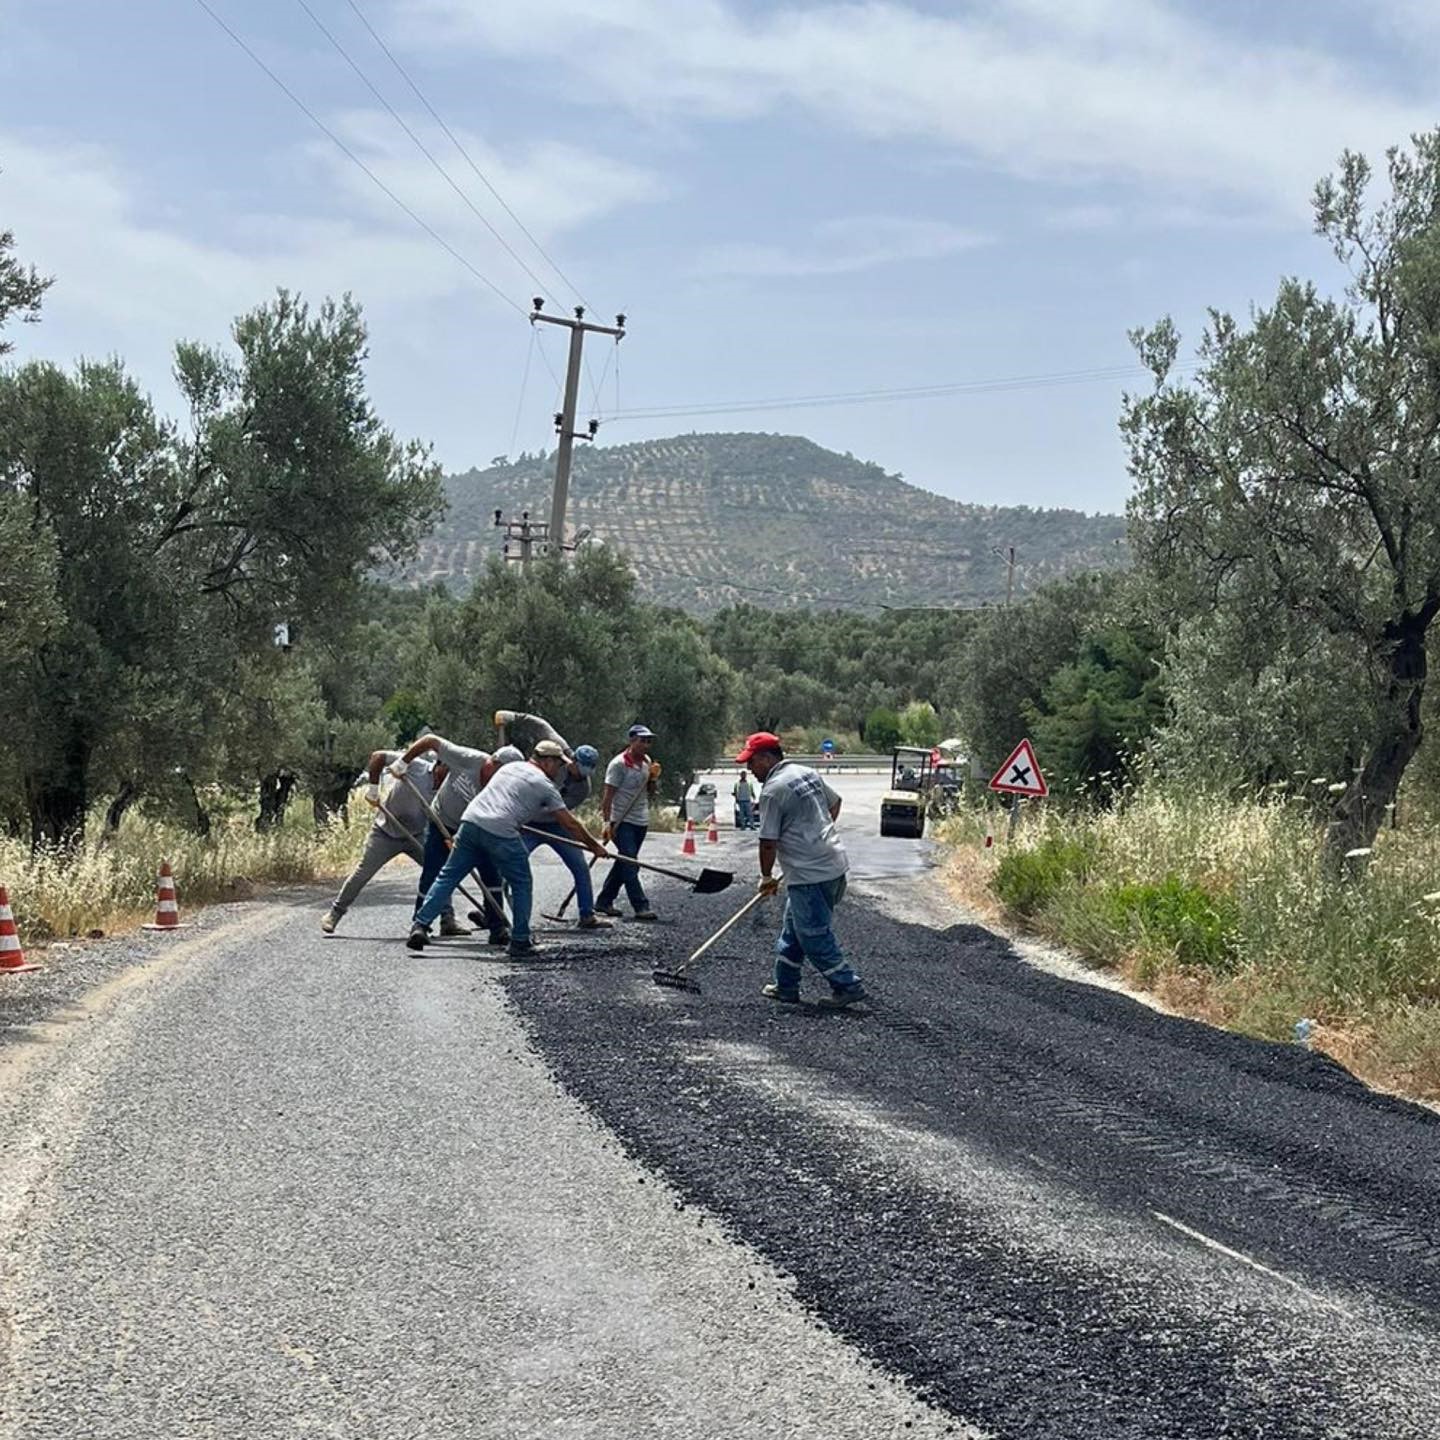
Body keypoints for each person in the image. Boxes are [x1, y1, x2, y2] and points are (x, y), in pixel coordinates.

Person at [407, 740, 608, 957]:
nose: (559, 770)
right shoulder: (544, 785)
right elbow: (570, 824)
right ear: (548, 761)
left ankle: (420, 925)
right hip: (500, 830)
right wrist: (594, 846)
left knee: (447, 877)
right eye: (558, 765)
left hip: (470, 822)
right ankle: (520, 940)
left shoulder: (510, 768)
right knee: (521, 882)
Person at [736, 730, 866, 1008]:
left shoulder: (772, 791)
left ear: (768, 758)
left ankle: (847, 984)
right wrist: (817, 835)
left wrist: (766, 877)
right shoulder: (805, 772)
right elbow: (835, 803)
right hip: (833, 865)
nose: (750, 769)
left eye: (752, 762)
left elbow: (768, 842)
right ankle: (786, 986)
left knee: (813, 935)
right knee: (794, 929)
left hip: (811, 874)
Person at [388, 733, 520, 944]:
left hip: (478, 829)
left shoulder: (507, 786)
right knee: (433, 873)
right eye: (499, 773)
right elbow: (430, 740)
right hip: (442, 823)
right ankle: (420, 926)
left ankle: (497, 928)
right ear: (492, 763)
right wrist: (404, 761)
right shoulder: (468, 758)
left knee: (492, 874)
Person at [321, 749, 463, 936]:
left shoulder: (448, 788)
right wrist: (373, 790)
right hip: (385, 832)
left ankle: (447, 920)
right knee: (363, 873)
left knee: (439, 871)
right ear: (439, 765)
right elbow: (377, 757)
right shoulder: (415, 767)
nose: (451, 775)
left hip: (416, 835)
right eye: (449, 770)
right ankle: (334, 914)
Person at [594, 724, 660, 922]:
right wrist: (607, 823)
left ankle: (604, 901)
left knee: (625, 861)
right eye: (642, 740)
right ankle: (641, 906)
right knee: (631, 863)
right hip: (621, 822)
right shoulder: (618, 765)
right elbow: (607, 797)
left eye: (649, 741)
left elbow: (649, 791)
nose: (646, 744)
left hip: (641, 820)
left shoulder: (647, 762)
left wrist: (653, 778)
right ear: (631, 741)